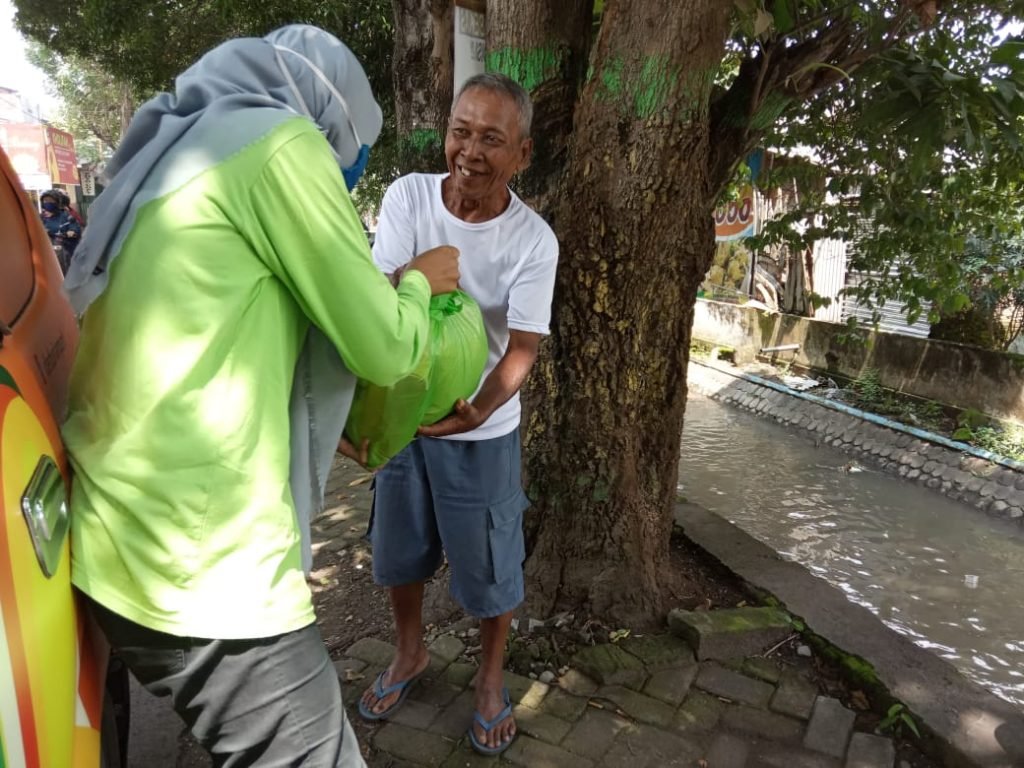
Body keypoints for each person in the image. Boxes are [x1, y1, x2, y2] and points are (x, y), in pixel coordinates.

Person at [61, 25, 459, 766]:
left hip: (114, 544)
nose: (350, 164)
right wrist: (417, 282)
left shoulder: (175, 151)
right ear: (331, 116)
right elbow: (383, 345)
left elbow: (234, 310)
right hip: (205, 570)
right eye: (351, 147)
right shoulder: (282, 146)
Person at [358, 73, 558, 756]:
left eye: (491, 139)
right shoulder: (408, 196)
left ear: (522, 154)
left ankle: (489, 683)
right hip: (403, 419)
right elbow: (377, 299)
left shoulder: (533, 241)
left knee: (492, 568)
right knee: (399, 550)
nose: (470, 152)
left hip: (482, 430)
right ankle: (409, 654)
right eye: (460, 132)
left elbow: (522, 349)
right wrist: (416, 274)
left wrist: (478, 412)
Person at [39, 188, 81, 273]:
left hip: (65, 251)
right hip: (45, 251)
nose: (47, 203)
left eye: (50, 201)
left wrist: (66, 234)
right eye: (45, 201)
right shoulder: (41, 218)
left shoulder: (66, 217)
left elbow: (75, 231)